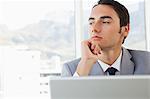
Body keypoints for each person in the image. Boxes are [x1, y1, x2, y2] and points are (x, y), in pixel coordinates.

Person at [61, 0, 150, 76]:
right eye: (91, 22)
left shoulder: (147, 62)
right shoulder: (72, 70)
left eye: (105, 22)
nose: (94, 29)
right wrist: (85, 65)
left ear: (125, 30)